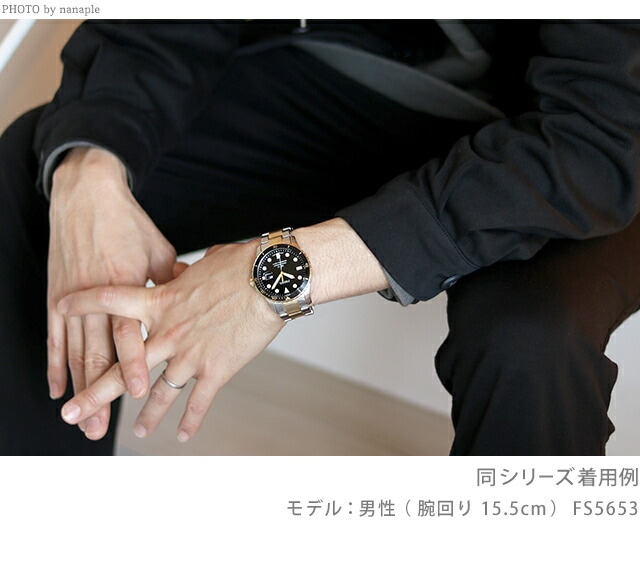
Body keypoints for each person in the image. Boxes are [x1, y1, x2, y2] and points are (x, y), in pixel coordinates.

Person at [1, 19, 639, 455]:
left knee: (530, 339)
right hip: (364, 68)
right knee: (50, 176)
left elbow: (598, 137)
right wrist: (91, 162)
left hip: (580, 133)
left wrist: (274, 278)